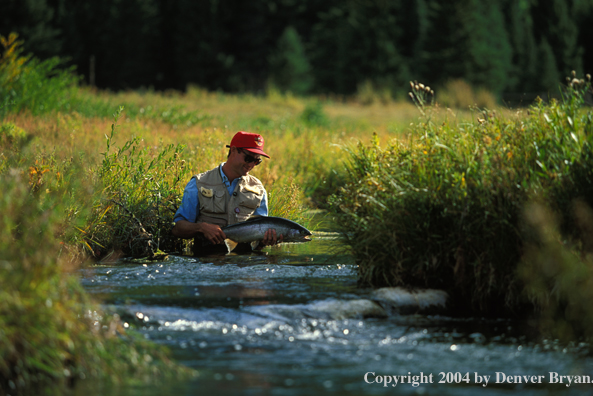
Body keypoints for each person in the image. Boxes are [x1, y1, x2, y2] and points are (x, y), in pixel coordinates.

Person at [172, 131, 281, 255]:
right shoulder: (199, 183)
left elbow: (258, 243)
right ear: (233, 150)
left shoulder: (259, 189)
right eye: (249, 158)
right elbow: (177, 228)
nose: (251, 165)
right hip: (206, 262)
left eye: (257, 161)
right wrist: (201, 227)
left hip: (244, 265)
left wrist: (264, 241)